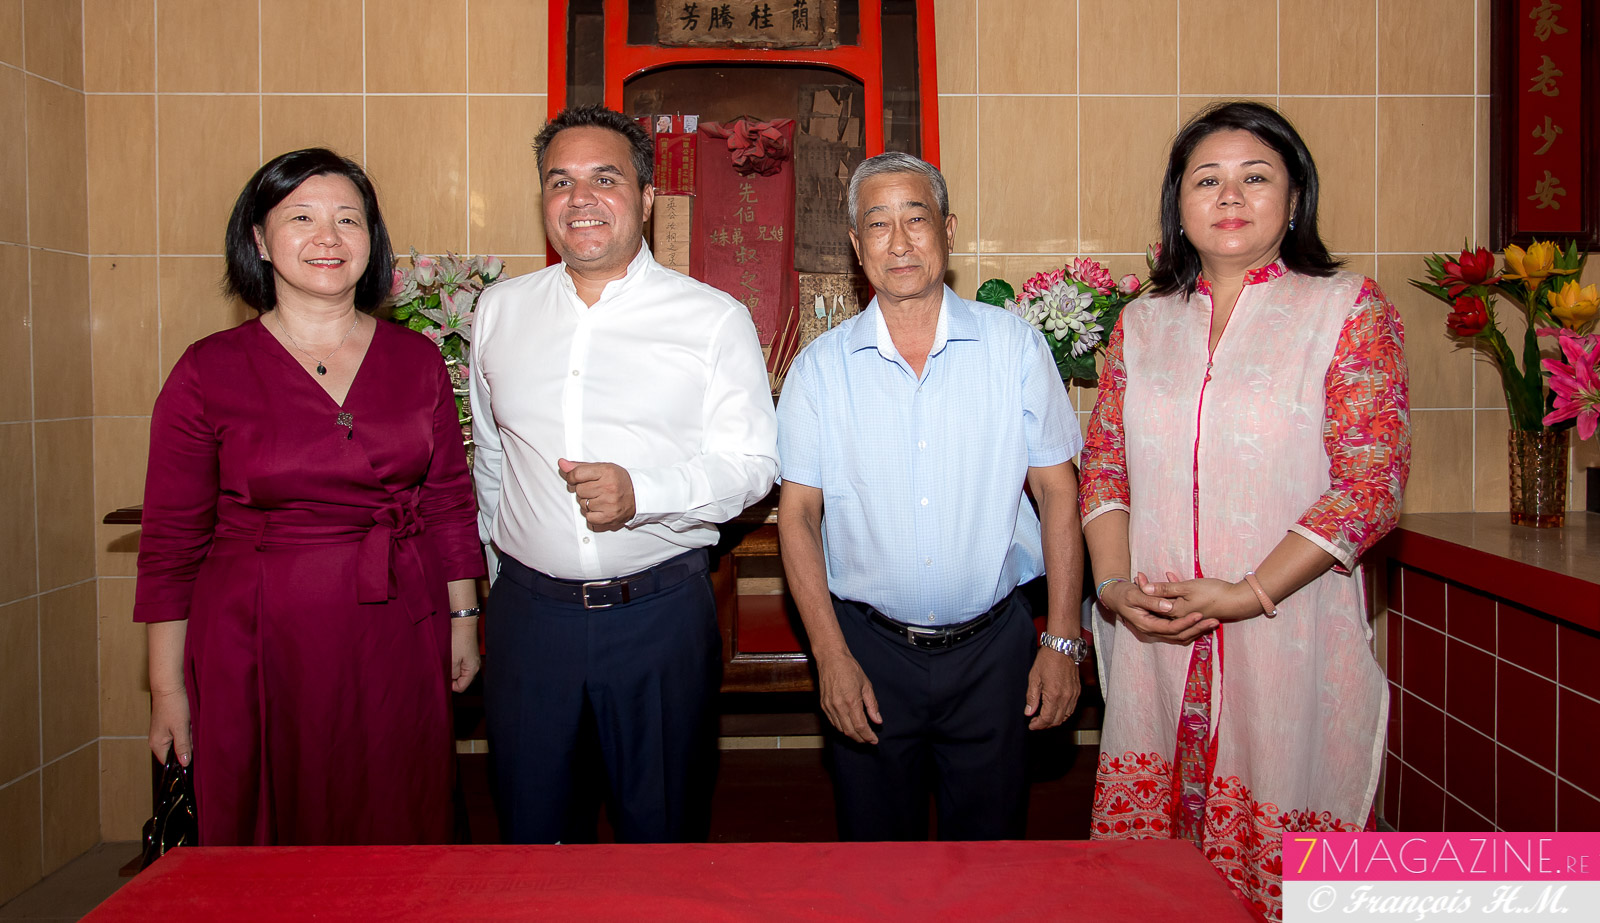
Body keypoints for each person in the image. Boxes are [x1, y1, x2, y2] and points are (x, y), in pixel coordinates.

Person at [1081, 102, 1409, 920]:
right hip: (1154, 633)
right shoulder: (1141, 326)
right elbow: (1106, 468)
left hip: (1284, 629)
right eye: (1208, 179)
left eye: (1255, 176)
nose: (1231, 195)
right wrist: (1115, 586)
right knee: (1152, 878)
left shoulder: (1348, 311)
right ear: (1179, 207)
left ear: (1293, 199)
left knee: (1286, 874)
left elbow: (1370, 483)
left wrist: (1249, 592)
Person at [135, 148, 485, 846]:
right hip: (259, 639)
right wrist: (168, 689)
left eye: (347, 219)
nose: (328, 237)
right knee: (271, 828)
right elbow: (171, 544)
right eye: (302, 217)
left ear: (370, 240)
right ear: (260, 240)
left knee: (398, 806)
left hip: (398, 629)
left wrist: (465, 618)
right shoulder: (208, 370)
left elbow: (449, 497)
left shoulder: (414, 359)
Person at [471, 105, 778, 844]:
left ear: (644, 196)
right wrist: (499, 582)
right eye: (560, 182)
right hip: (529, 621)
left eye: (604, 179)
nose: (580, 200)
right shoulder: (500, 311)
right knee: (532, 837)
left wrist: (644, 494)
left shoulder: (711, 318)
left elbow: (754, 465)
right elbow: (491, 463)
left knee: (662, 836)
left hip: (657, 618)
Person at [776, 152, 1086, 841]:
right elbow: (797, 517)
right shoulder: (821, 370)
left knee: (993, 854)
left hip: (993, 648)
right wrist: (830, 654)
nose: (899, 241)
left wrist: (1063, 640)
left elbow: (1059, 494)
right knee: (876, 860)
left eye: (915, 218)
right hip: (868, 649)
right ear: (857, 247)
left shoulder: (1015, 348)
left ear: (946, 229)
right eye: (877, 224)